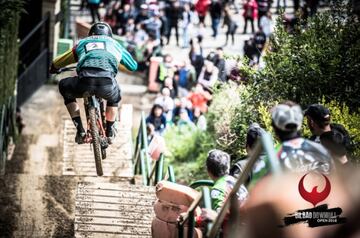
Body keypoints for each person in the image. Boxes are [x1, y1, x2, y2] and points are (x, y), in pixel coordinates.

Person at [50, 22, 137, 144]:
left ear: (91, 34)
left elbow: (58, 62)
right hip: (106, 84)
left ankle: (80, 131)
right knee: (115, 95)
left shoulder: (82, 43)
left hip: (84, 82)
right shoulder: (115, 44)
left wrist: (54, 68)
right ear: (110, 35)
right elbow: (133, 66)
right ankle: (110, 131)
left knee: (63, 85)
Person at [249, 101, 335, 186]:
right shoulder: (322, 151)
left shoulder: (271, 160)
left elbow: (255, 192)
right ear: (299, 124)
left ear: (275, 128)